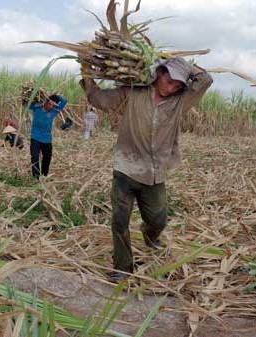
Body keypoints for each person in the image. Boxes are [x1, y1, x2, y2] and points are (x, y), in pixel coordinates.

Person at [80, 57, 213, 283]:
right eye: (169, 80)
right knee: (120, 221)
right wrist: (87, 76)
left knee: (158, 221)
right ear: (159, 73)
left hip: (155, 172)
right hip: (126, 167)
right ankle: (123, 267)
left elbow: (206, 79)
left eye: (178, 85)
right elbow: (99, 98)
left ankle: (150, 237)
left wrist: (178, 62)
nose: (171, 88)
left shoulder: (180, 101)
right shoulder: (133, 92)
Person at [29, 94, 68, 178]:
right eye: (50, 104)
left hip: (47, 139)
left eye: (53, 105)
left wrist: (56, 96)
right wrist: (38, 99)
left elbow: (65, 101)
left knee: (47, 157)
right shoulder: (37, 108)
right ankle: (36, 176)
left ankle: (44, 175)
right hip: (35, 137)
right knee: (35, 156)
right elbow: (27, 104)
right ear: (46, 102)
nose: (51, 107)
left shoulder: (54, 111)